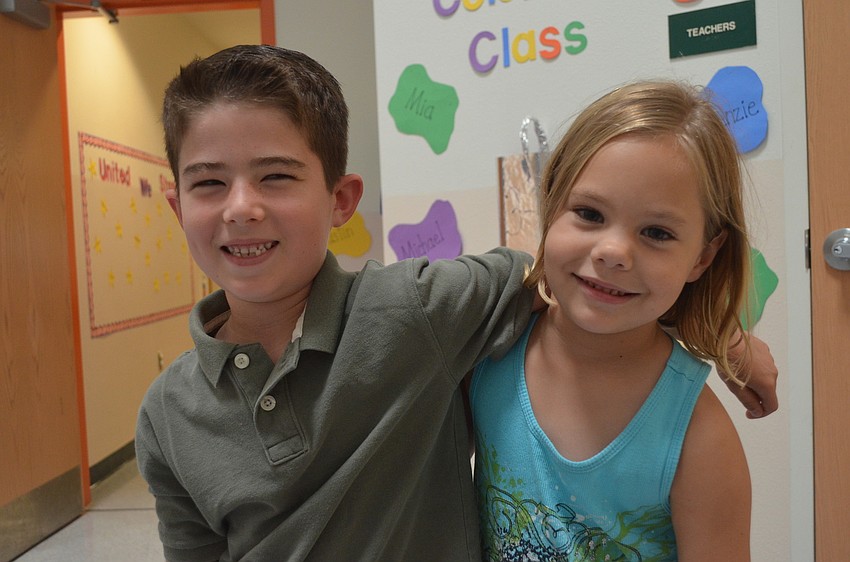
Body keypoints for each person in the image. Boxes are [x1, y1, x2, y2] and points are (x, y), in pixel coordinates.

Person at [136, 46, 776, 561]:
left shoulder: (420, 313)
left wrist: (721, 334)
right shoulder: (165, 417)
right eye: (209, 182)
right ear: (177, 207)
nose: (241, 207)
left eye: (276, 176)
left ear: (341, 199)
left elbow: (557, 278)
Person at [471, 80, 758, 561]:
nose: (613, 252)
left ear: (703, 258)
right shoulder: (486, 360)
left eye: (656, 233)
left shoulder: (700, 436)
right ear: (551, 203)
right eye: (589, 213)